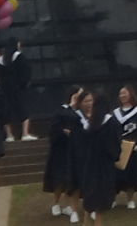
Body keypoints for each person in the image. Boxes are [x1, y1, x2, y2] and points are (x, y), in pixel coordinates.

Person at [76, 89, 122, 226]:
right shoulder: (111, 123)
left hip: (89, 167)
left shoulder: (90, 124)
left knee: (89, 201)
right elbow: (114, 148)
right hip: (104, 168)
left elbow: (82, 146)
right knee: (100, 206)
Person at [43, 89, 87, 222]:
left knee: (72, 178)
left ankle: (69, 206)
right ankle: (56, 203)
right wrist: (63, 132)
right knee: (59, 178)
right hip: (60, 151)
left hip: (75, 151)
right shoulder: (60, 111)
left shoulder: (81, 113)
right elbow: (54, 131)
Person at [108, 88, 137, 208]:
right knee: (115, 174)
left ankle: (130, 199)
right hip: (117, 148)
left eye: (125, 93)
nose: (122, 95)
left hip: (133, 148)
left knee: (132, 173)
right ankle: (113, 198)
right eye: (120, 93)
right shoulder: (115, 113)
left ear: (131, 94)